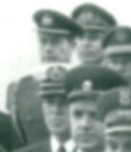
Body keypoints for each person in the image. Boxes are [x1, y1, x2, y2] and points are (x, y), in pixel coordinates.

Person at [6, 10, 82, 144]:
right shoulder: (19, 89)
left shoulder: (84, 83)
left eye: (56, 42)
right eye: (43, 41)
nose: (48, 48)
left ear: (73, 45)